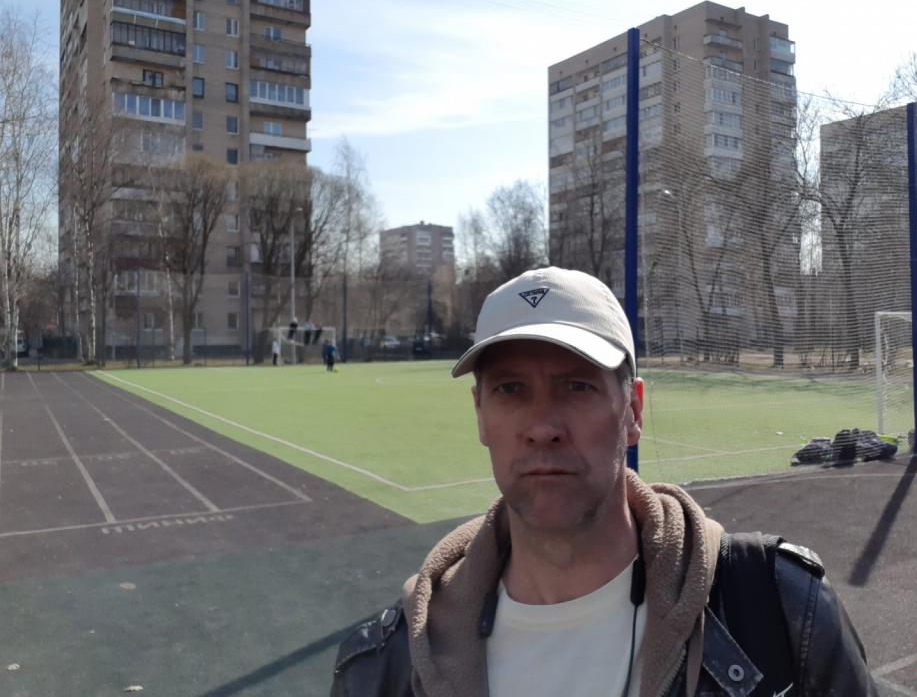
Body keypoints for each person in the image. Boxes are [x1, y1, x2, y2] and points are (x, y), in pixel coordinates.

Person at [332, 267, 878, 697]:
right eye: (510, 390)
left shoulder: (778, 610)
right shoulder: (386, 666)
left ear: (633, 410)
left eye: (577, 386)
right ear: (480, 414)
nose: (542, 427)